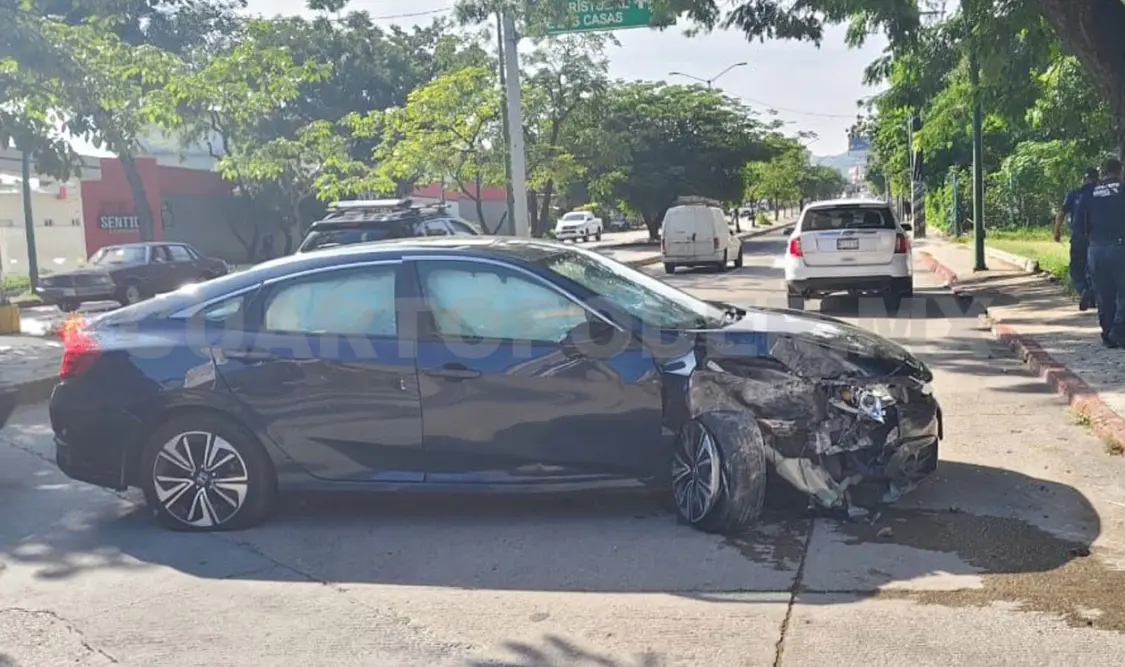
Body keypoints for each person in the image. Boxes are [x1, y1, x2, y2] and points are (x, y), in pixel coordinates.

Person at [1077, 157, 1125, 348]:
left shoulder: (1089, 192)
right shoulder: (1122, 189)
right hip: (1120, 248)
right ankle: (1118, 330)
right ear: (1120, 171)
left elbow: (1078, 224)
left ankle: (1107, 333)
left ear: (1103, 172)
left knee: (1103, 295)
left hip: (1095, 249)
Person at [1054, 167, 1100, 310]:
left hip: (1078, 236)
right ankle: (1092, 295)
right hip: (1097, 237)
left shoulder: (1074, 194)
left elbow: (1061, 213)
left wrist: (1056, 231)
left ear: (1083, 179)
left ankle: (1083, 290)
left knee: (1076, 268)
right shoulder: (1101, 193)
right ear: (1097, 178)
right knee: (1094, 269)